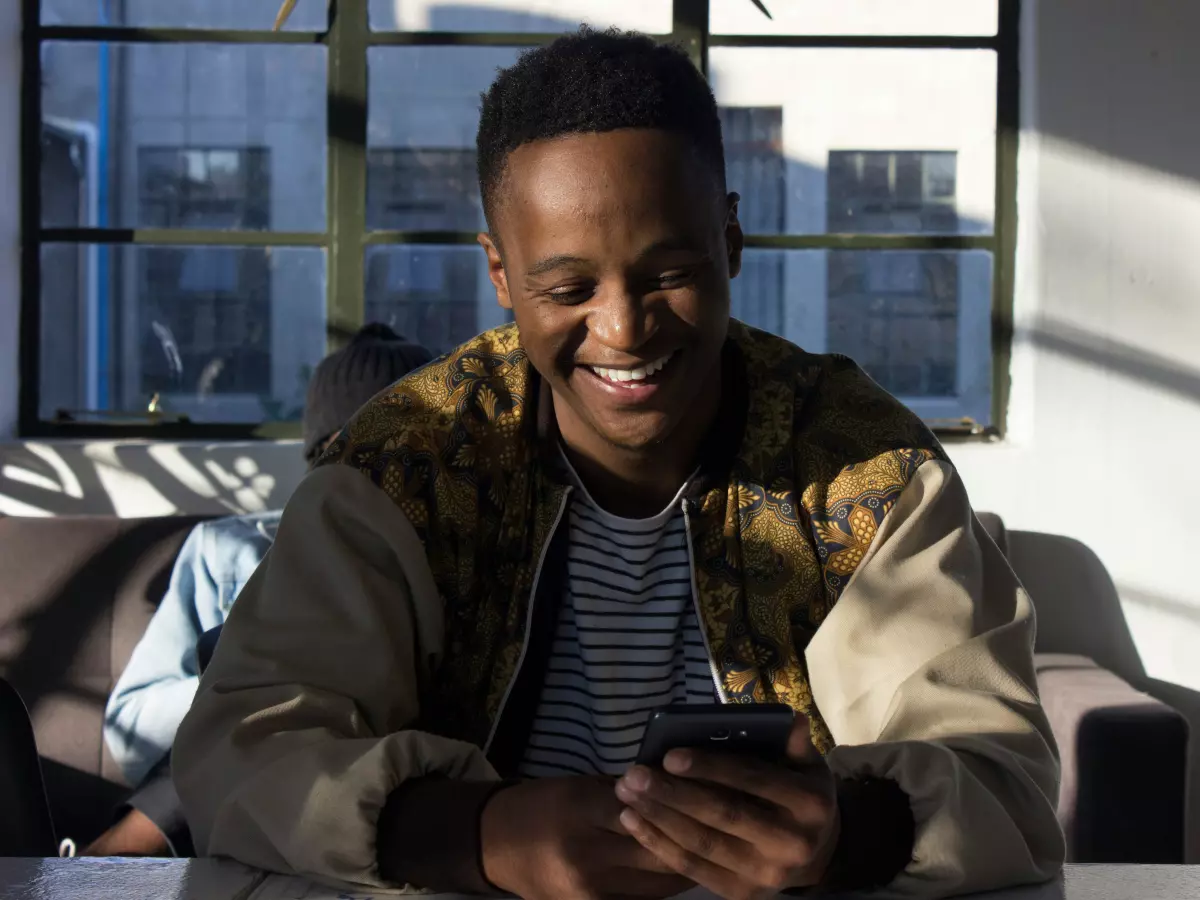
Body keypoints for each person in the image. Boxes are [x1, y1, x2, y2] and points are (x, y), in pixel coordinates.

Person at [173, 28, 1065, 900]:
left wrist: (843, 834)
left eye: (669, 272)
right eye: (566, 290)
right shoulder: (404, 467)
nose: (624, 330)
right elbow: (239, 754)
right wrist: (477, 836)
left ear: (731, 242)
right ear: (499, 272)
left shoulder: (865, 473)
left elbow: (1005, 785)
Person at [88, 324, 433, 857]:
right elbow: (129, 726)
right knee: (247, 730)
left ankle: (101, 867)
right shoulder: (227, 548)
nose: (371, 485)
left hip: (389, 791)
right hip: (250, 807)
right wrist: (246, 676)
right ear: (317, 456)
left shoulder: (463, 561)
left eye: (400, 458)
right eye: (351, 455)